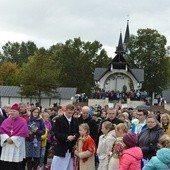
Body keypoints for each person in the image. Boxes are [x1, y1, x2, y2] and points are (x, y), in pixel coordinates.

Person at [0, 103, 29, 170]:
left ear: (18, 112)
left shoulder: (23, 121)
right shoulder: (6, 121)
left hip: (16, 147)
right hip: (7, 145)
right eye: (11, 111)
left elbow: (23, 133)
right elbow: (1, 131)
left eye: (14, 111)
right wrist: (6, 138)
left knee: (16, 165)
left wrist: (13, 139)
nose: (12, 112)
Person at [50, 104, 79, 170]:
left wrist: (75, 136)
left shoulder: (75, 120)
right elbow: (57, 134)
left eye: (72, 113)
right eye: (69, 113)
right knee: (58, 166)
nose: (70, 114)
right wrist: (66, 137)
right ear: (65, 111)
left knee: (69, 166)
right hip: (61, 147)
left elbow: (78, 132)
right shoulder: (59, 120)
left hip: (71, 147)